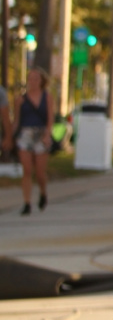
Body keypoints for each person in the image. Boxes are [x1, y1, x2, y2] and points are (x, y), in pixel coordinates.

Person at [13, 67, 55, 215]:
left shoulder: (47, 97)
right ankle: (27, 202)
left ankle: (43, 192)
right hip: (25, 134)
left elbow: (50, 118)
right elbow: (17, 120)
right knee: (27, 170)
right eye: (30, 78)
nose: (33, 81)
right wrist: (13, 136)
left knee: (40, 172)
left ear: (42, 81)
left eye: (36, 78)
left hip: (41, 133)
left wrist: (47, 134)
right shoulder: (20, 99)